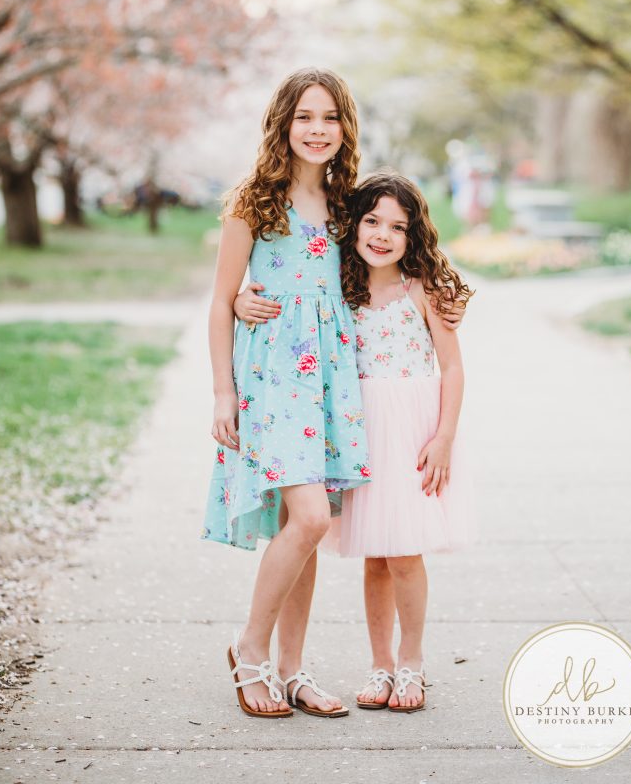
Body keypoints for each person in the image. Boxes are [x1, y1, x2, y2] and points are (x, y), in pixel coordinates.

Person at [203, 67, 375, 718]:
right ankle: (248, 650)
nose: (316, 129)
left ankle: (292, 670)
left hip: (329, 383)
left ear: (344, 128)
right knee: (307, 519)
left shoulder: (347, 204)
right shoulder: (254, 200)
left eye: (329, 117)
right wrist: (223, 394)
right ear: (283, 122)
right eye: (304, 116)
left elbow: (379, 274)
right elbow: (221, 303)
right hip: (273, 380)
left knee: (302, 528)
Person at [324, 171, 476, 713]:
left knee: (405, 554)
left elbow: (452, 367)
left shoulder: (424, 290)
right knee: (374, 556)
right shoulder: (341, 285)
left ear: (414, 236)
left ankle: (412, 663)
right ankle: (380, 665)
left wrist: (445, 437)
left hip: (413, 435)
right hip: (360, 434)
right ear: (354, 224)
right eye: (372, 221)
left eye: (397, 226)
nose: (382, 234)